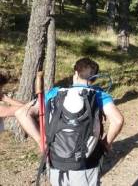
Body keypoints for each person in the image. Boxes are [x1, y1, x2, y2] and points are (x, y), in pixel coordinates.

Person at [16, 58, 124, 186]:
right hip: (86, 162)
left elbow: (22, 113)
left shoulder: (55, 93)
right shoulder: (98, 95)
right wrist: (105, 144)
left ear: (76, 73)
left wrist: (41, 141)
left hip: (57, 161)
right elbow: (117, 121)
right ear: (94, 78)